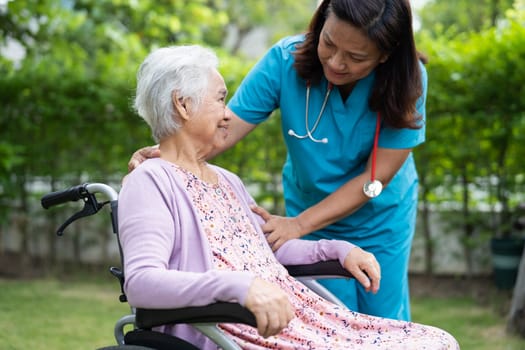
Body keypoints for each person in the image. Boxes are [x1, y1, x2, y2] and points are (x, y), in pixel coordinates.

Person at [119, 44, 459, 350]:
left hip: (305, 319)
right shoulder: (151, 181)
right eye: (221, 99)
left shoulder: (225, 181)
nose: (227, 113)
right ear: (182, 104)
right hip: (248, 331)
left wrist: (341, 251)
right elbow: (142, 283)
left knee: (436, 341)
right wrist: (240, 287)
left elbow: (269, 249)